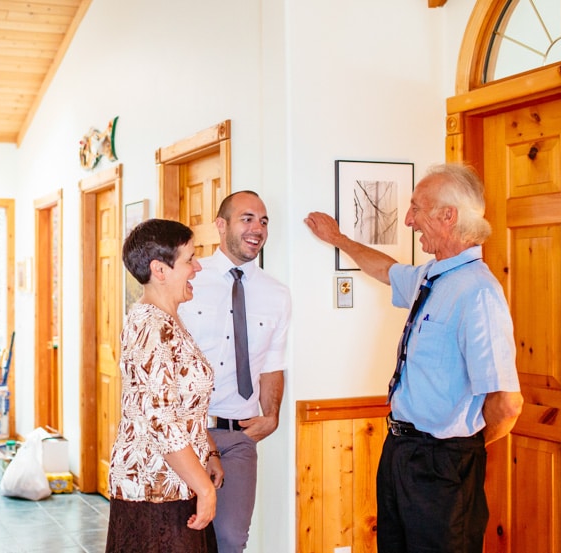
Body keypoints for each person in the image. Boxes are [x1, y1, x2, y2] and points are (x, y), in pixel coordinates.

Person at [304, 162, 524, 553]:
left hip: (442, 463)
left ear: (447, 216)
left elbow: (506, 403)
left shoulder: (478, 293)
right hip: (401, 453)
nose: (409, 220)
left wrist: (459, 448)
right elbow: (386, 270)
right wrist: (338, 239)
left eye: (416, 209)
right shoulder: (433, 277)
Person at [179, 191, 291, 553]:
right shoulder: (189, 282)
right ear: (220, 225)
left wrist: (271, 415)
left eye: (263, 220)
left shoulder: (277, 294)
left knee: (231, 541)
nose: (257, 228)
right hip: (188, 434)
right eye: (247, 218)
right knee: (183, 537)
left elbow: (273, 362)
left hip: (240, 436)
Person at [106, 218, 224, 553]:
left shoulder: (167, 320)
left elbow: (181, 405)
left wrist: (209, 452)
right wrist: (205, 489)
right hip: (155, 489)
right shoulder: (150, 326)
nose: (197, 267)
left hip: (177, 482)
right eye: (189, 259)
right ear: (160, 270)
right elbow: (159, 419)